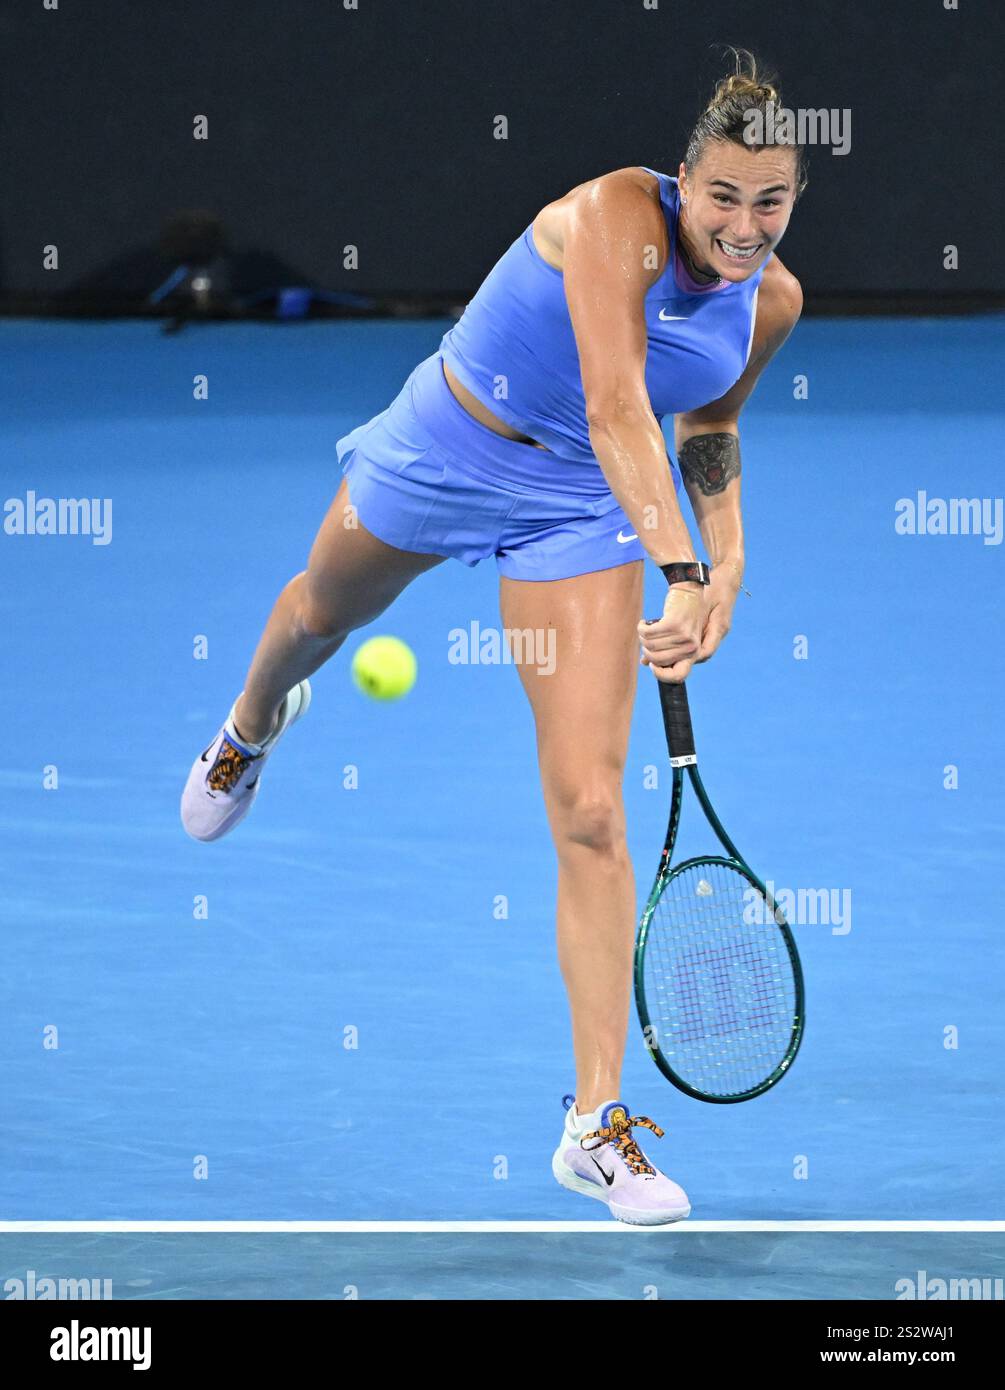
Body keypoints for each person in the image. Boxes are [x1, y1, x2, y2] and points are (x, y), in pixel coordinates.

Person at [181, 52, 805, 1225]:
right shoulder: (619, 216)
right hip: (448, 446)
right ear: (685, 181)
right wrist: (677, 560)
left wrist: (726, 565)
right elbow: (622, 401)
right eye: (723, 196)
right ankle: (249, 725)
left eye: (770, 203)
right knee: (320, 612)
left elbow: (705, 430)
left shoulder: (771, 303)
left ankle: (596, 1126)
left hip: (576, 510)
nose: (743, 224)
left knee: (590, 806)